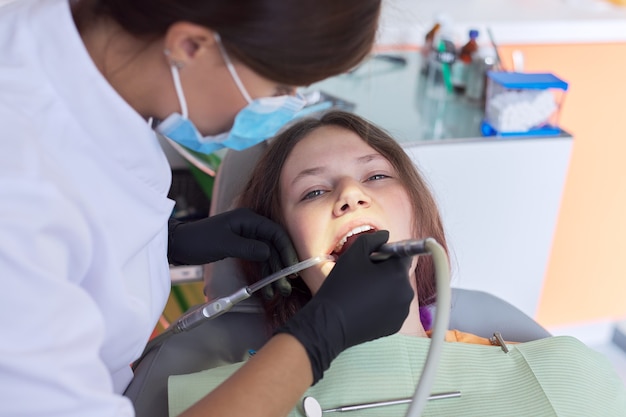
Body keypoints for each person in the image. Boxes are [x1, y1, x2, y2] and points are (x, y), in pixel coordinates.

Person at [0, 1, 414, 417]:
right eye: (279, 89)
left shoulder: (83, 72)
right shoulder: (18, 189)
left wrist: (162, 244)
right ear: (190, 46)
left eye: (377, 176)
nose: (352, 196)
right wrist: (317, 339)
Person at [167, 111, 626, 417]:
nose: (350, 194)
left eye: (376, 176)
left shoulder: (560, 372)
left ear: (418, 216)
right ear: (281, 249)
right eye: (313, 191)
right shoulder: (226, 396)